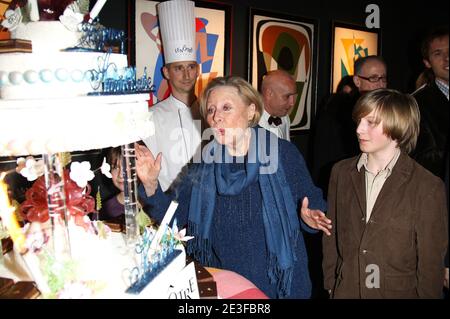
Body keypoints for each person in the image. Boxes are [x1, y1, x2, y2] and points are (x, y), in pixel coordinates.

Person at [136, 76, 332, 299]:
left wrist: (312, 218)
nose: (216, 117)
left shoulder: (282, 154)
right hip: (226, 287)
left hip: (280, 288)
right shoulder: (205, 162)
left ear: (251, 111)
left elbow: (313, 204)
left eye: (226, 108)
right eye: (210, 110)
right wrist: (151, 185)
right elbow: (174, 218)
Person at [323, 89, 448, 298]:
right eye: (359, 121)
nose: (359, 129)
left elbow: (431, 263)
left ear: (397, 125)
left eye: (371, 122)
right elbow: (331, 234)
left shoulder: (427, 186)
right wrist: (330, 284)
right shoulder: (341, 172)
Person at [142, 0, 202, 192]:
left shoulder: (213, 111)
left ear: (198, 70)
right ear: (166, 72)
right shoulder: (151, 116)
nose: (186, 75)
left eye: (191, 67)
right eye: (178, 68)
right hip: (170, 206)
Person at [311, 56, 387, 194]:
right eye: (373, 78)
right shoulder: (338, 112)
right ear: (357, 81)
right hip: (347, 186)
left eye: (383, 78)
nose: (380, 84)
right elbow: (325, 156)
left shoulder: (389, 110)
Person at [412, 27, 449, 179]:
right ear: (427, 62)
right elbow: (421, 159)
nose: (447, 58)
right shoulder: (417, 104)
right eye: (438, 53)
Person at [258, 70, 297, 141]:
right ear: (269, 94)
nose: (292, 103)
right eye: (287, 96)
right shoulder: (250, 122)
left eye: (294, 96)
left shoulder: (285, 118)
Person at [99, 147, 125, 220]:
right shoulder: (104, 211)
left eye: (127, 166)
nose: (121, 175)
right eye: (115, 167)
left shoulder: (153, 202)